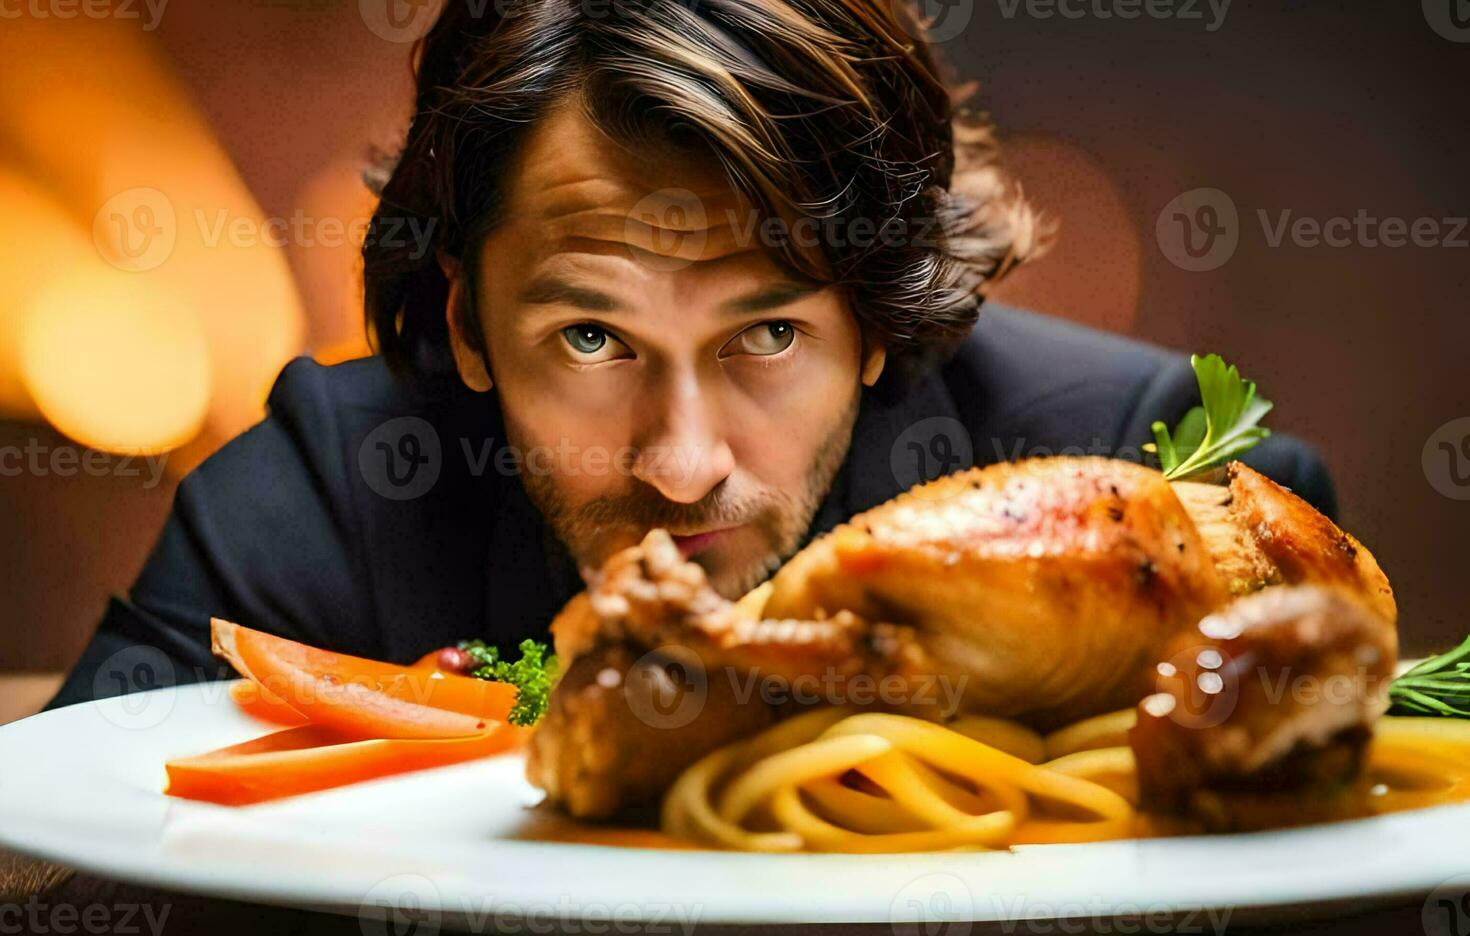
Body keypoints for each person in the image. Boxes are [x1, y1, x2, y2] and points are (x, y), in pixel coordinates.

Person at [47, 0, 1330, 708]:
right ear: (464, 323)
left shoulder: (1133, 466)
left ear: (876, 317)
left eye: (768, 333)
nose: (681, 463)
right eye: (592, 336)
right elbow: (75, 864)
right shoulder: (337, 482)